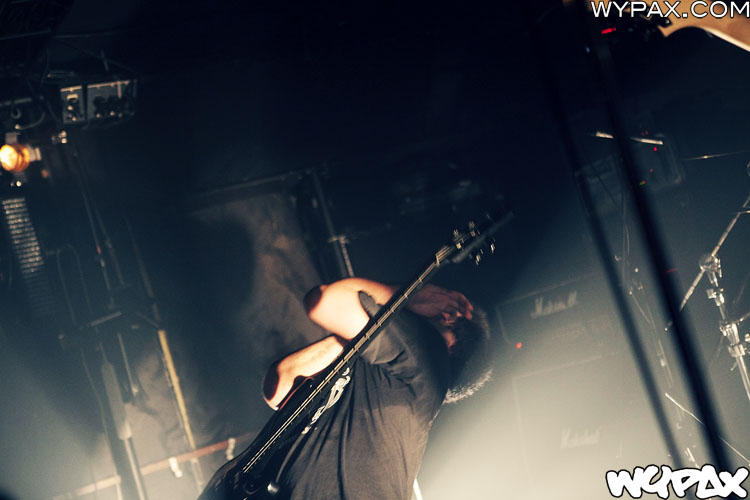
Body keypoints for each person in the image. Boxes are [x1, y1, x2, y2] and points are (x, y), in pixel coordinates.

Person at [261, 277, 493, 500]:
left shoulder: (427, 348)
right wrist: (354, 336)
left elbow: (326, 301)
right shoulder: (391, 380)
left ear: (449, 316)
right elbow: (280, 385)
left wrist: (409, 296)